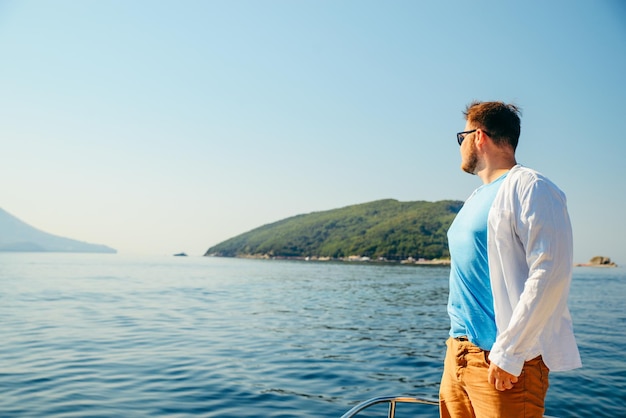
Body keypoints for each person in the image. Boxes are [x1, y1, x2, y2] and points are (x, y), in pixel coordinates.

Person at [439, 101, 582, 418]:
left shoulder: (532, 187)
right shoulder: (476, 198)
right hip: (458, 354)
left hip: (502, 362)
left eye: (460, 138)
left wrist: (509, 353)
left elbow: (550, 272)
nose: (459, 147)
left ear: (478, 136)